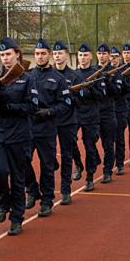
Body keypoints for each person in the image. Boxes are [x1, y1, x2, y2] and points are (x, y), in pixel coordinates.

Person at [0, 37, 39, 234]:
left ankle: (16, 218)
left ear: (17, 54)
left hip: (18, 133)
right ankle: (3, 203)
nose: (5, 58)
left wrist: (11, 107)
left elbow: (33, 106)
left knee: (18, 177)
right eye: (2, 55)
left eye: (8, 54)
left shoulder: (27, 79)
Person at [25, 39, 72, 214]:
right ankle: (31, 190)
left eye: (43, 53)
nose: (40, 56)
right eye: (37, 53)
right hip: (28, 127)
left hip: (47, 127)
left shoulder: (58, 78)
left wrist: (49, 112)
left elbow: (66, 103)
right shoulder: (28, 75)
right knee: (22, 161)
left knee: (47, 165)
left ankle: (46, 200)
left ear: (49, 55)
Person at [52, 41, 83, 204]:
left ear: (66, 55)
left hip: (68, 121)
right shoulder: (48, 74)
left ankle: (65, 189)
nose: (57, 56)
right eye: (55, 53)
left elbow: (81, 100)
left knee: (66, 154)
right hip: (49, 120)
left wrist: (71, 97)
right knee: (49, 156)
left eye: (60, 53)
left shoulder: (74, 76)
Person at [76, 43, 105, 189]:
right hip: (76, 113)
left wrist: (92, 88)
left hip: (91, 114)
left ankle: (89, 177)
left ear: (90, 57)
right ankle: (78, 164)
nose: (82, 58)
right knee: (69, 142)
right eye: (80, 55)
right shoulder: (74, 74)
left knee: (89, 146)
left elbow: (102, 96)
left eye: (85, 55)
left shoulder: (97, 73)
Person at [95, 43, 118, 183]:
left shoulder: (114, 71)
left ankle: (107, 170)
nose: (102, 56)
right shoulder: (92, 70)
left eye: (104, 53)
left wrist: (108, 81)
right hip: (93, 112)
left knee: (108, 143)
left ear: (109, 55)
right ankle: (95, 158)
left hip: (108, 111)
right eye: (99, 53)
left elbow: (117, 92)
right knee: (89, 141)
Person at [109, 47, 128, 175]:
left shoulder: (123, 72)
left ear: (120, 57)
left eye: (116, 56)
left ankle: (120, 163)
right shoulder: (104, 71)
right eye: (112, 56)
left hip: (120, 108)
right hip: (106, 110)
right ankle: (109, 163)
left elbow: (121, 90)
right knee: (108, 140)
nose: (113, 59)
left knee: (119, 138)